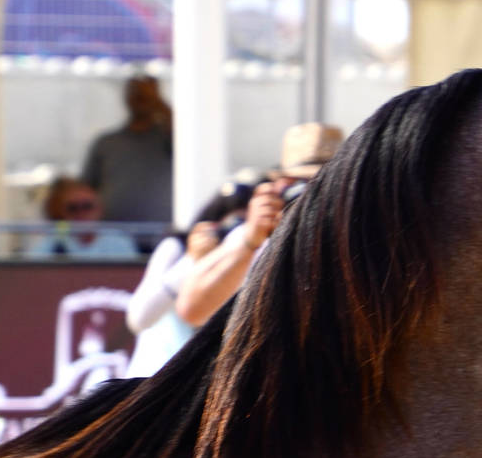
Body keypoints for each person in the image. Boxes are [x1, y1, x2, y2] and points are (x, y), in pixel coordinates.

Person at [175, 122, 343, 326]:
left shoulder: (356, 236)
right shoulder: (254, 237)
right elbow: (192, 311)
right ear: (279, 185)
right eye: (298, 182)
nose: (308, 195)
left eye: (321, 182)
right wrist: (250, 243)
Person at [124, 182, 256, 377]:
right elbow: (139, 319)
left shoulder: (254, 255)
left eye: (242, 228)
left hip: (209, 386)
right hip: (153, 379)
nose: (233, 235)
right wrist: (192, 260)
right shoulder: (176, 248)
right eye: (228, 226)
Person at [81, 75, 174, 230]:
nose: (141, 98)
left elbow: (189, 143)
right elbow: (86, 189)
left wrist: (160, 105)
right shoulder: (106, 143)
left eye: (146, 95)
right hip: (114, 240)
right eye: (135, 93)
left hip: (159, 235)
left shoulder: (168, 139)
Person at [23, 177, 139, 259]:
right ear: (61, 212)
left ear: (100, 208)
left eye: (87, 206)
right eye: (72, 208)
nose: (81, 213)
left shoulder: (118, 241)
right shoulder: (52, 244)